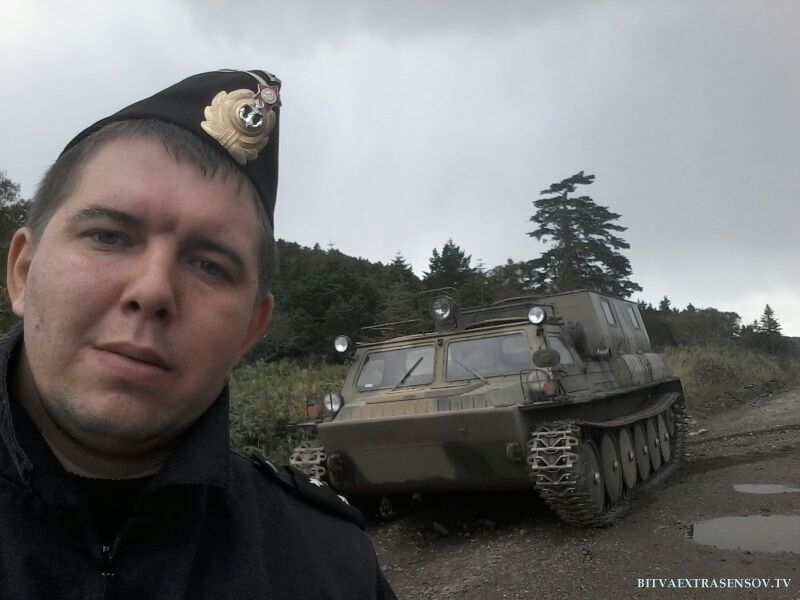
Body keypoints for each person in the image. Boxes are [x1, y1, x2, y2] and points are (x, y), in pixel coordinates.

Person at [0, 69, 397, 599]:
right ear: (23, 272)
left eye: (209, 266)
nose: (153, 290)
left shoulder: (330, 566)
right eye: (109, 236)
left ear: (249, 331)